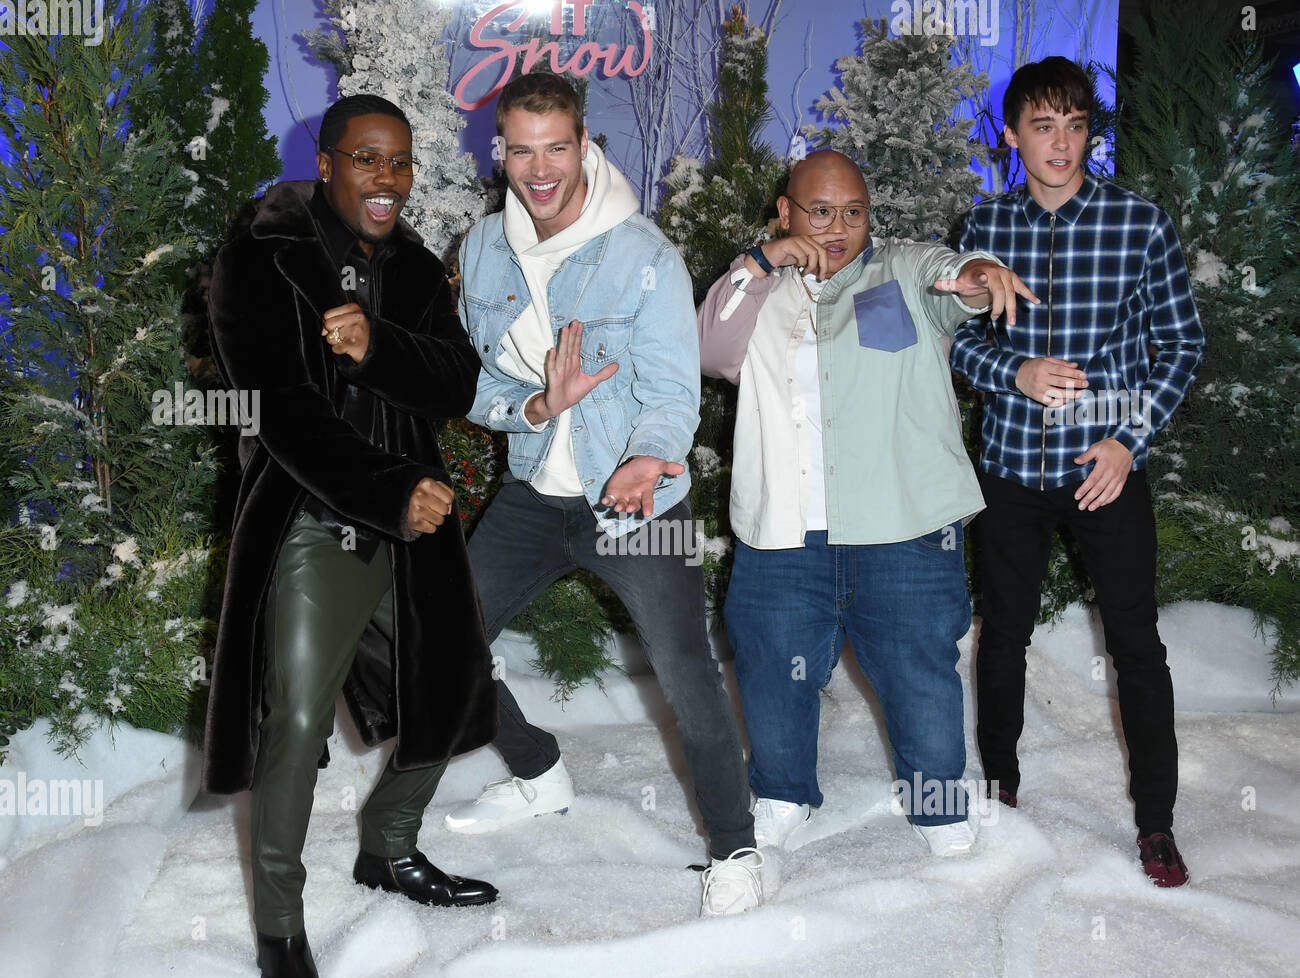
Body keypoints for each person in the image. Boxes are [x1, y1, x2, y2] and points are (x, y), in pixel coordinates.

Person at [203, 94, 500, 978]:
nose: (388, 182)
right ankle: (282, 945)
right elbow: (283, 415)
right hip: (311, 516)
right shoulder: (262, 253)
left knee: (452, 684)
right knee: (291, 716)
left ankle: (388, 844)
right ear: (327, 160)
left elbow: (459, 378)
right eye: (368, 160)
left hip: (412, 517)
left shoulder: (411, 265)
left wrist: (379, 349)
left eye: (402, 164)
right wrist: (384, 491)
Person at [452, 73, 762, 915]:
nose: (540, 167)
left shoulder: (643, 255)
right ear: (502, 152)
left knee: (686, 672)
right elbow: (473, 384)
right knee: (440, 636)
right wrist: (538, 405)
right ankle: (538, 771)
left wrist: (649, 456)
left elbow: (672, 392)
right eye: (522, 148)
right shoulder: (482, 251)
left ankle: (735, 849)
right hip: (533, 495)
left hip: (638, 500)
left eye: (557, 147)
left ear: (585, 145)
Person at [698, 149, 1032, 858]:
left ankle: (939, 802)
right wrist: (759, 263)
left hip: (902, 525)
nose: (839, 227)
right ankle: (783, 793)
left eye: (854, 211)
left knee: (919, 670)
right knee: (771, 664)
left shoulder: (902, 272)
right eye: (820, 211)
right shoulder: (757, 291)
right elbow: (710, 347)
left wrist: (981, 275)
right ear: (784, 212)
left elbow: (958, 280)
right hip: (785, 528)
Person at [950, 57, 1205, 886]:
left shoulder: (1140, 222)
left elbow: (1183, 344)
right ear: (1012, 134)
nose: (1061, 143)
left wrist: (1130, 438)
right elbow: (956, 340)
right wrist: (1012, 374)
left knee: (1137, 644)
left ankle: (1157, 824)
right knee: (1004, 635)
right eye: (1043, 125)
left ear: (1090, 131)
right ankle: (1000, 786)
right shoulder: (983, 230)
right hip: (1012, 467)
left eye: (1076, 124)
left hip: (1108, 468)